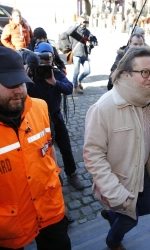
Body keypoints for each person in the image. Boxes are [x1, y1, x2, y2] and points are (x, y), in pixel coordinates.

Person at [83, 46, 150, 250]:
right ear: (126, 74)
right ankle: (113, 241)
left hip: (143, 171)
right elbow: (93, 156)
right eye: (145, 72)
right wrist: (115, 193)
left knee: (147, 208)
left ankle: (111, 214)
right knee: (131, 220)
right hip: (120, 182)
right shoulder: (103, 108)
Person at [0, 46, 71, 249]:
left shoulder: (39, 107)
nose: (19, 90)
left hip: (50, 209)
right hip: (9, 227)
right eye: (10, 83)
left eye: (22, 82)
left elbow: (49, 149)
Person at [25, 42, 84, 190]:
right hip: (37, 121)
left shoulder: (56, 73)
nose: (47, 60)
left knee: (65, 147)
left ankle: (72, 174)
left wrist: (54, 82)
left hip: (56, 117)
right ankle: (52, 175)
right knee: (43, 151)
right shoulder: (31, 75)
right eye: (43, 57)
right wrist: (24, 78)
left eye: (49, 57)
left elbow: (69, 88)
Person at [66, 16, 93, 94]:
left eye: (85, 22)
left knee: (87, 71)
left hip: (85, 54)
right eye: (83, 22)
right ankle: (75, 86)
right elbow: (67, 33)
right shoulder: (75, 30)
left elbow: (92, 41)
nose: (84, 24)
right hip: (76, 54)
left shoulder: (87, 32)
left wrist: (90, 44)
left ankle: (79, 80)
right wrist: (77, 24)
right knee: (76, 71)